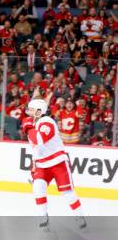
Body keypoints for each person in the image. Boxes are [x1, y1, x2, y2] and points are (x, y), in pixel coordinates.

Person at [22, 98, 86, 230]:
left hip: (57, 162)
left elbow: (39, 139)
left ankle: (80, 217)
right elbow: (35, 147)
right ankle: (43, 219)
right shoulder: (33, 122)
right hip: (41, 163)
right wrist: (34, 165)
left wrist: (28, 127)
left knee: (67, 192)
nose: (29, 111)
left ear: (40, 111)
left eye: (32, 109)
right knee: (38, 189)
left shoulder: (47, 122)